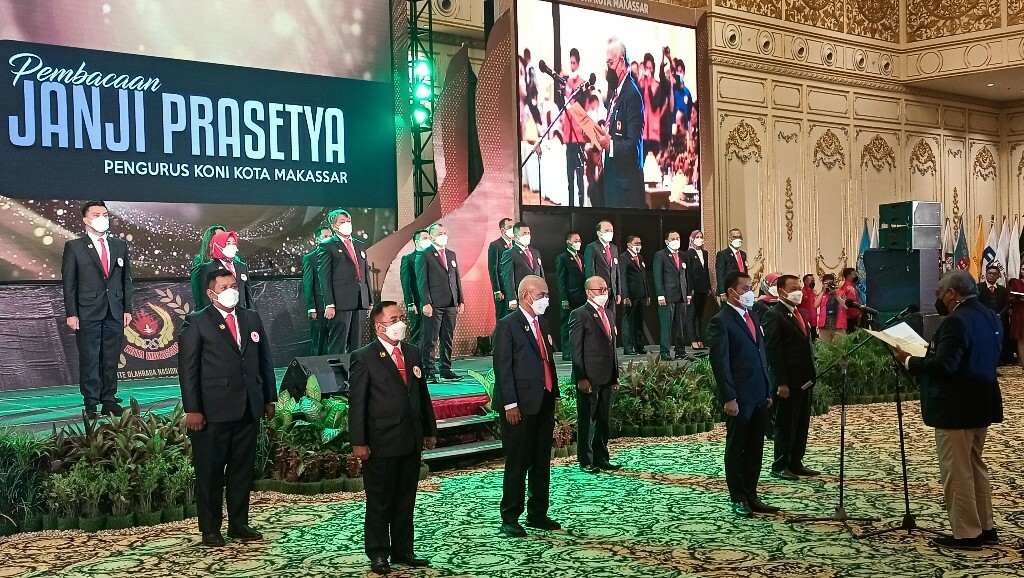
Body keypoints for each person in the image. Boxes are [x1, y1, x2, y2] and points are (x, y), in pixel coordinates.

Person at [895, 270, 1003, 551]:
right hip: (981, 401)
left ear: (952, 294)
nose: (938, 299)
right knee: (975, 466)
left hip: (956, 406)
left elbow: (946, 365)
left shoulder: (956, 320)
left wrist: (909, 361)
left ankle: (967, 534)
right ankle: (986, 527)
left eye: (939, 294)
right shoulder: (990, 315)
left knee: (957, 471)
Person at [178, 269, 276, 547]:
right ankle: (210, 529)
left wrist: (269, 397)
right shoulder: (197, 322)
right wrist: (193, 409)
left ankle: (238, 523)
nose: (231, 290)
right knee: (210, 473)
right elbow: (188, 370)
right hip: (212, 412)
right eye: (224, 287)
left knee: (241, 471)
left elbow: (264, 359)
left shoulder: (251, 317)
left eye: (233, 285)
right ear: (211, 294)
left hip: (248, 407)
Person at [348, 301, 438, 574]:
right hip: (381, 442)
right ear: (379, 326)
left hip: (410, 438)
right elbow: (357, 403)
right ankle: (378, 553)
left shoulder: (412, 352)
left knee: (405, 499)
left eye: (402, 318)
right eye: (394, 319)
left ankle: (403, 550)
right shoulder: (364, 357)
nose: (401, 323)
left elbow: (421, 394)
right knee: (380, 501)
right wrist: (359, 442)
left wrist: (430, 430)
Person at [706, 271, 777, 518]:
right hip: (739, 397)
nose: (750, 293)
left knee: (756, 448)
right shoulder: (720, 322)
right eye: (745, 288)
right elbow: (721, 364)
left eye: (751, 288)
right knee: (737, 448)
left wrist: (767, 389)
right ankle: (738, 497)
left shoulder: (752, 315)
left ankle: (752, 494)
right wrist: (729, 397)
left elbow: (761, 355)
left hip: (759, 394)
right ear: (731, 292)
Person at [495, 275, 560, 537]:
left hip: (543, 401)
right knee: (518, 462)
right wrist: (510, 403)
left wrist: (554, 396)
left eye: (547, 295)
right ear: (526, 296)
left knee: (541, 461)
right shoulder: (508, 325)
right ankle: (510, 516)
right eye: (542, 295)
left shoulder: (542, 322)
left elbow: (547, 361)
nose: (546, 300)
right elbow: (503, 367)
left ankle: (537, 512)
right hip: (519, 405)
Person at [61, 200, 133, 418]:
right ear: (86, 219)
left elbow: (126, 280)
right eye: (96, 215)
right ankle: (91, 401)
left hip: (114, 309)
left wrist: (127, 309)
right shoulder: (74, 247)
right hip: (87, 311)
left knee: (111, 357)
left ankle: (109, 398)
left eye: (105, 214)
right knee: (90, 356)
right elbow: (69, 283)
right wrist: (72, 313)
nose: (102, 218)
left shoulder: (119, 245)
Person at [763, 275, 819, 481]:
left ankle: (796, 462)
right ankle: (780, 465)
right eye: (794, 288)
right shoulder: (774, 315)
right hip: (787, 382)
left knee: (801, 424)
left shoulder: (798, 312)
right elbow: (773, 351)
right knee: (785, 425)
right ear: (781, 291)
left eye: (799, 288)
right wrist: (781, 382)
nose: (799, 292)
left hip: (804, 380)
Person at [570, 276, 620, 474]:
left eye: (606, 289)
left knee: (603, 420)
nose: (604, 293)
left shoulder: (608, 313)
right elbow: (576, 350)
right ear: (588, 292)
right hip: (589, 377)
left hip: (607, 375)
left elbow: (612, 347)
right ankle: (586, 460)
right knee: (587, 421)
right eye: (600, 289)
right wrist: (581, 377)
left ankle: (601, 457)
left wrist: (615, 374)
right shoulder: (579, 314)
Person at [595, 37, 645, 209]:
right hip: (612, 182)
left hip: (625, 190)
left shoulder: (632, 95)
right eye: (607, 64)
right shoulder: (615, 93)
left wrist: (610, 145)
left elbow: (633, 147)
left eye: (611, 63)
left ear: (622, 63)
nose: (608, 69)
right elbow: (613, 130)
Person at [319, 209, 373, 354]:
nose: (346, 224)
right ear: (334, 226)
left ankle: (355, 368)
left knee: (356, 343)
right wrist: (329, 304)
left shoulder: (359, 245)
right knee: (339, 343)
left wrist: (369, 300)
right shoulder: (327, 245)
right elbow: (324, 277)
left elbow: (365, 273)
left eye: (348, 221)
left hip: (359, 299)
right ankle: (336, 368)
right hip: (340, 301)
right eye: (342, 222)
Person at [416, 223, 465, 382]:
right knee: (430, 339)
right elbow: (422, 282)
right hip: (434, 304)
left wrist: (460, 300)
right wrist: (426, 303)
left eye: (444, 233)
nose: (443, 236)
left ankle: (446, 369)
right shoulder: (424, 254)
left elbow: (456, 279)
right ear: (431, 237)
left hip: (451, 302)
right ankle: (428, 370)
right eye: (439, 233)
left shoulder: (451, 254)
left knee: (447, 338)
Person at [193, 230, 254, 310]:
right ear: (218, 245)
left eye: (234, 243)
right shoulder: (208, 268)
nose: (232, 246)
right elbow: (205, 298)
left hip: (241, 313)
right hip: (219, 314)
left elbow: (248, 295)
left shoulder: (241, 266)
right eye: (228, 243)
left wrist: (252, 313)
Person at [653, 230, 687, 360]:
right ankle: (665, 352)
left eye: (678, 238)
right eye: (673, 239)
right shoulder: (660, 255)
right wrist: (660, 295)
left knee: (680, 326)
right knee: (666, 325)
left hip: (681, 294)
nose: (676, 241)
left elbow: (686, 275)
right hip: (667, 296)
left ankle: (680, 351)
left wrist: (688, 293)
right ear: (667, 241)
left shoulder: (683, 255)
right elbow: (658, 276)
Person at [302, 224, 334, 356]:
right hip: (319, 308)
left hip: (336, 307)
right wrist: (312, 308)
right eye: (325, 236)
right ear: (317, 239)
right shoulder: (310, 258)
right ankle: (316, 366)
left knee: (335, 342)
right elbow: (308, 284)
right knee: (319, 343)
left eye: (330, 236)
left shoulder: (337, 256)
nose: (328, 239)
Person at [555, 231, 586, 361]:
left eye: (579, 240)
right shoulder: (562, 258)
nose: (578, 243)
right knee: (567, 324)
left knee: (580, 325)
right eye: (575, 241)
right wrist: (564, 298)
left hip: (582, 296)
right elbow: (560, 280)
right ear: (568, 242)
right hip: (569, 297)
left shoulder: (582, 257)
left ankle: (579, 350)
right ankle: (567, 352)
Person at [562, 49, 587, 207]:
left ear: (578, 63)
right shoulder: (566, 83)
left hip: (578, 136)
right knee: (569, 177)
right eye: (570, 63)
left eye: (574, 63)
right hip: (568, 136)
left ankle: (581, 206)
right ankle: (570, 206)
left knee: (579, 177)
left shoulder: (582, 84)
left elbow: (581, 107)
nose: (572, 66)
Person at [501, 223, 544, 313]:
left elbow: (540, 274)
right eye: (524, 233)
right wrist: (512, 299)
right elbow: (508, 278)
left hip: (536, 297)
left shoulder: (535, 252)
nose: (527, 235)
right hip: (521, 297)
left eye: (528, 233)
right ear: (516, 236)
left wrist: (543, 292)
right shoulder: (509, 254)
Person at [583, 221, 621, 323]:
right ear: (599, 233)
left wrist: (618, 292)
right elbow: (590, 271)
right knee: (599, 320)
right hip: (598, 291)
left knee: (611, 319)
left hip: (612, 291)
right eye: (606, 230)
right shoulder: (592, 247)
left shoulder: (614, 248)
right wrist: (592, 291)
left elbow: (617, 271)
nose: (610, 232)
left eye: (611, 230)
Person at [619, 235, 649, 355]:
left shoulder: (640, 257)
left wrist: (647, 294)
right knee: (628, 322)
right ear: (629, 245)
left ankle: (639, 346)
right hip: (630, 295)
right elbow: (623, 277)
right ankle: (628, 347)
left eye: (640, 243)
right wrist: (625, 296)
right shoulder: (623, 258)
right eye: (636, 243)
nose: (639, 245)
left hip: (641, 294)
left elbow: (644, 277)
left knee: (639, 321)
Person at [401, 230, 432, 347]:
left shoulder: (432, 257)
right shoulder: (408, 258)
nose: (428, 240)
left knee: (430, 333)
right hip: (417, 302)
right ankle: (414, 355)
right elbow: (406, 282)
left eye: (429, 238)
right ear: (417, 242)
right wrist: (410, 303)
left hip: (431, 301)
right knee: (418, 331)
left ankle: (426, 356)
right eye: (425, 238)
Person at [977, 265, 1011, 364]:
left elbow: (1007, 305)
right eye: (989, 273)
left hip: (999, 319)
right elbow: (976, 303)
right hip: (984, 319)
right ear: (986, 274)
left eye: (994, 274)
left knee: (1000, 339)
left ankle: (999, 358)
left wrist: (999, 315)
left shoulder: (1003, 290)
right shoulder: (978, 287)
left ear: (998, 276)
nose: (991, 275)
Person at [685, 230, 711, 349]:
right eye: (697, 237)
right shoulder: (688, 253)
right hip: (694, 288)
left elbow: (706, 270)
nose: (700, 239)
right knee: (692, 314)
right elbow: (688, 272)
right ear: (692, 239)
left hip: (703, 287)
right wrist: (690, 289)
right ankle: (693, 340)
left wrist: (708, 286)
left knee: (699, 315)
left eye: (701, 237)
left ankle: (699, 339)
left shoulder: (705, 253)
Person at [190, 224, 226, 305]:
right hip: (210, 307)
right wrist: (200, 310)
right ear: (210, 240)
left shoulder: (234, 259)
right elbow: (197, 290)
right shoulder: (200, 261)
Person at [488, 218, 515, 325]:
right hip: (503, 289)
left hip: (515, 288)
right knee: (503, 317)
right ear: (503, 230)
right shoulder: (495, 245)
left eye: (513, 227)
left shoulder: (516, 245)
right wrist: (497, 290)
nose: (512, 229)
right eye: (510, 227)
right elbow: (493, 268)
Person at [715, 228, 747, 300]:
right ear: (730, 239)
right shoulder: (723, 254)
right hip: (729, 290)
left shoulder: (743, 254)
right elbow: (720, 275)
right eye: (735, 237)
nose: (738, 239)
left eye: (739, 237)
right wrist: (722, 292)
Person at [815, 273, 848, 342]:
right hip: (824, 326)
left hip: (839, 326)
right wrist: (823, 291)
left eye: (830, 283)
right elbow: (815, 305)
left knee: (840, 347)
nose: (828, 285)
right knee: (825, 347)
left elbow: (846, 306)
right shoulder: (821, 295)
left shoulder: (841, 293)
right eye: (826, 283)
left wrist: (836, 295)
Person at [1009, 263, 1024, 369]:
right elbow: (1010, 298)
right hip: (1020, 312)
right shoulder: (1016, 282)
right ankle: (1023, 362)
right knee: (1021, 338)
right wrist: (1020, 299)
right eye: (1023, 269)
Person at [799, 274, 819, 340]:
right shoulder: (801, 292)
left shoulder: (813, 292)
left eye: (813, 280)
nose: (813, 282)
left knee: (814, 336)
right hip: (805, 319)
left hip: (814, 319)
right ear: (805, 281)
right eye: (811, 280)